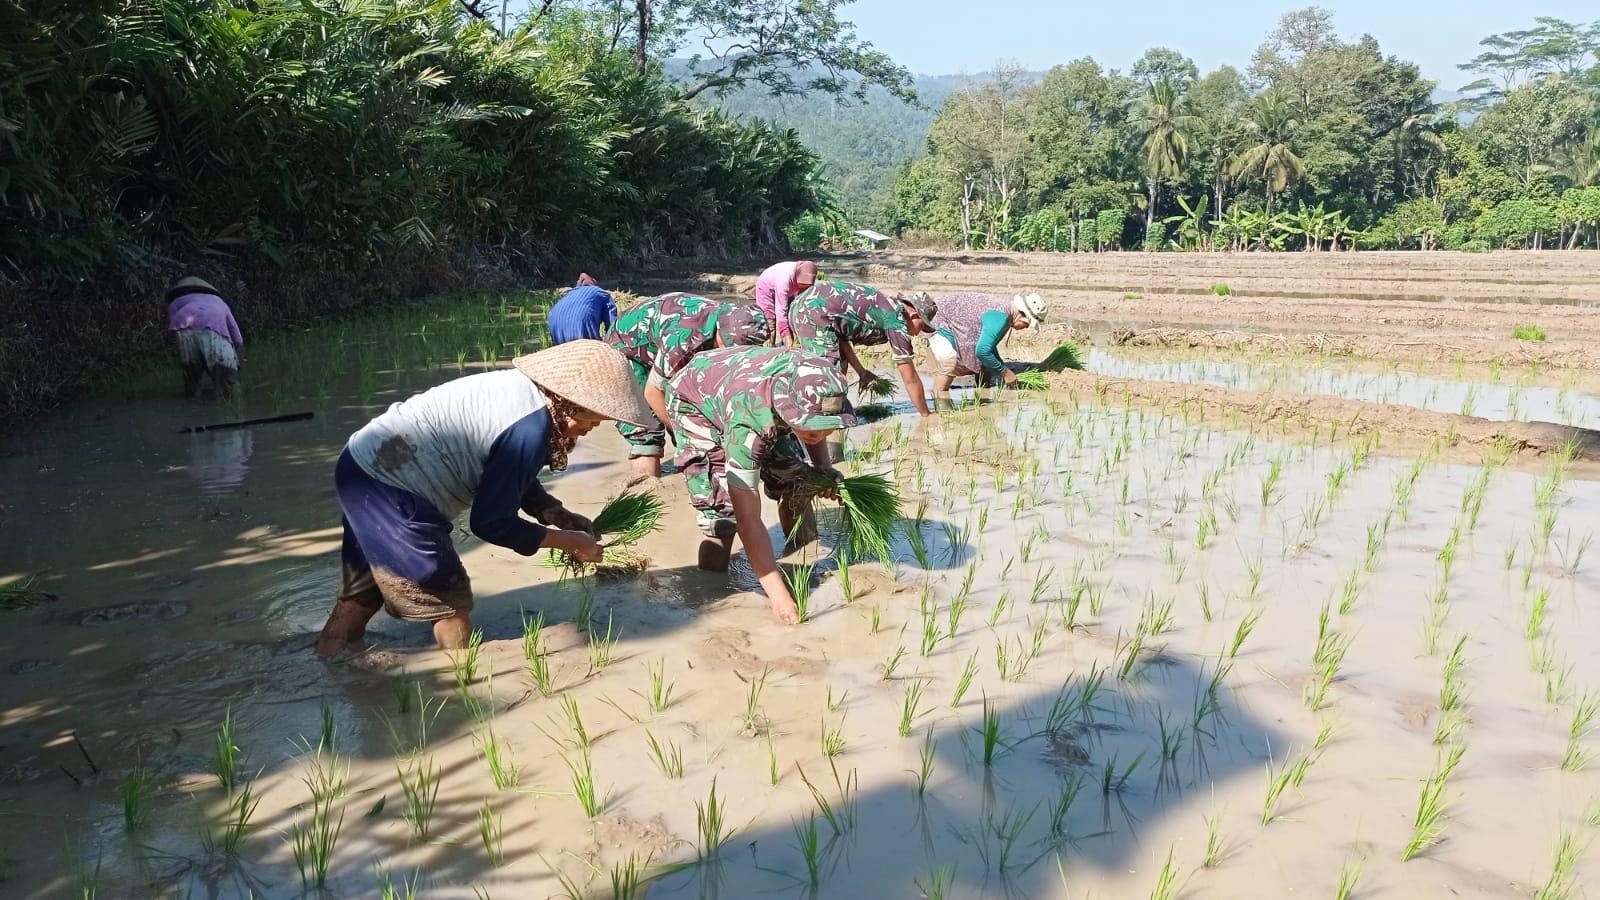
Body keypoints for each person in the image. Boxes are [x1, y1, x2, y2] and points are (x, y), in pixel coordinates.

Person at [315, 340, 656, 657]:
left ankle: (333, 665)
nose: (595, 426)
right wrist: (569, 541)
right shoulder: (529, 426)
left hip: (361, 468)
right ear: (575, 403)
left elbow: (505, 475)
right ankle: (463, 683)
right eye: (596, 416)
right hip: (391, 486)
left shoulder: (527, 400)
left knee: (364, 591)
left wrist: (553, 512)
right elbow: (490, 522)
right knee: (449, 598)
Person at [667, 346, 852, 623]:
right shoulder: (748, 424)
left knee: (796, 481)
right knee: (723, 517)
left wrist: (823, 471)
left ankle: (801, 555)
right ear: (789, 410)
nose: (821, 435)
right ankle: (710, 592)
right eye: (812, 429)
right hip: (696, 401)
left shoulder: (816, 379)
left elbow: (816, 422)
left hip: (743, 386)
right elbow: (748, 518)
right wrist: (779, 598)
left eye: (829, 428)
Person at [606, 292, 773, 477]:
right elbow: (653, 393)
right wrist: (684, 433)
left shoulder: (735, 317)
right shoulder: (685, 339)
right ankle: (647, 489)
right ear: (719, 330)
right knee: (646, 432)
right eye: (728, 347)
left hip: (658, 345)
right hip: (626, 351)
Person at [787, 280, 937, 417]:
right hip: (812, 310)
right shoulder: (896, 320)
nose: (918, 333)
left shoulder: (886, 306)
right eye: (922, 327)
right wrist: (926, 414)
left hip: (804, 307)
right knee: (828, 375)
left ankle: (828, 414)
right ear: (914, 315)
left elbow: (840, 337)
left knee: (839, 368)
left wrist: (862, 372)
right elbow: (910, 379)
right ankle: (820, 420)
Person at [927, 292, 1047, 395]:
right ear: (1022, 316)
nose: (1025, 328)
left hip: (950, 315)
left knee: (985, 361)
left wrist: (1000, 368)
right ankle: (939, 402)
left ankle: (983, 390)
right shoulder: (1000, 317)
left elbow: (989, 348)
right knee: (950, 363)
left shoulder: (1004, 314)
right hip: (939, 317)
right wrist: (1006, 373)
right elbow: (982, 351)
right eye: (1027, 325)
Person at [166, 277, 244, 399]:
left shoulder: (174, 303)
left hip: (185, 335)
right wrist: (235, 350)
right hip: (215, 335)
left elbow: (173, 328)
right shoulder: (219, 302)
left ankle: (194, 405)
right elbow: (237, 337)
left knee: (192, 386)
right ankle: (233, 412)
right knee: (228, 387)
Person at [754, 260, 817, 345]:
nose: (803, 289)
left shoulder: (806, 273)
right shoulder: (784, 280)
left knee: (793, 315)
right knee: (770, 322)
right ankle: (768, 349)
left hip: (790, 290)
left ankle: (794, 343)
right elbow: (781, 312)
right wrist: (787, 339)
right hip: (765, 289)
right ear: (796, 277)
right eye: (802, 286)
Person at [547, 273, 618, 343]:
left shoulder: (567, 295)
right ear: (594, 283)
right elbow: (612, 327)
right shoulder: (601, 293)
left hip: (554, 325)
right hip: (581, 328)